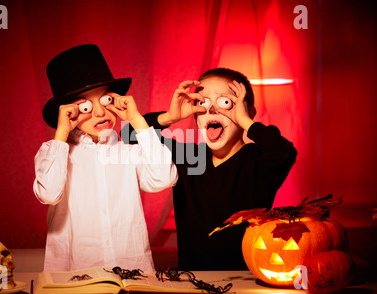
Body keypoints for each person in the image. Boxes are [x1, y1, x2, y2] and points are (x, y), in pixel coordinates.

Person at [122, 68, 297, 270]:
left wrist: (244, 120)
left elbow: (285, 152)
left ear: (247, 113)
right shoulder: (186, 157)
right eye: (202, 102)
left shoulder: (258, 161)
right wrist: (170, 117)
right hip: (193, 284)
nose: (212, 110)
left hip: (246, 283)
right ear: (196, 116)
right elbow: (129, 135)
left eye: (225, 102)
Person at [33, 44, 177, 272]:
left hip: (133, 278)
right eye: (85, 106)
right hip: (75, 280)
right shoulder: (53, 152)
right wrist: (60, 134)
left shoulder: (128, 153)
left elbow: (163, 178)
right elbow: (49, 194)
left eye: (106, 100)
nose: (100, 113)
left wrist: (137, 119)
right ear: (67, 112)